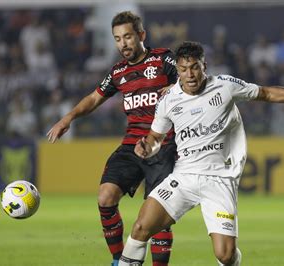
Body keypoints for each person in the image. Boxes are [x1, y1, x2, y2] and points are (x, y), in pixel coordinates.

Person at [118, 41, 284, 266]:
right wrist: (146, 147)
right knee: (141, 228)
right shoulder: (168, 100)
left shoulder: (225, 86)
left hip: (219, 179)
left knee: (225, 255)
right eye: (183, 69)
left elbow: (266, 93)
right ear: (178, 71)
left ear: (205, 66)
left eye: (195, 67)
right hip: (184, 177)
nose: (190, 74)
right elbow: (155, 138)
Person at [46, 11, 177, 266]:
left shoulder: (163, 59)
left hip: (163, 144)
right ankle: (119, 261)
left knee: (157, 212)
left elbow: (193, 77)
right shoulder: (118, 72)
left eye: (128, 37)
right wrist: (68, 118)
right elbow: (95, 98)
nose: (123, 44)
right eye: (117, 39)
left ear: (141, 35)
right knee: (105, 197)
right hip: (131, 145)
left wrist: (177, 86)